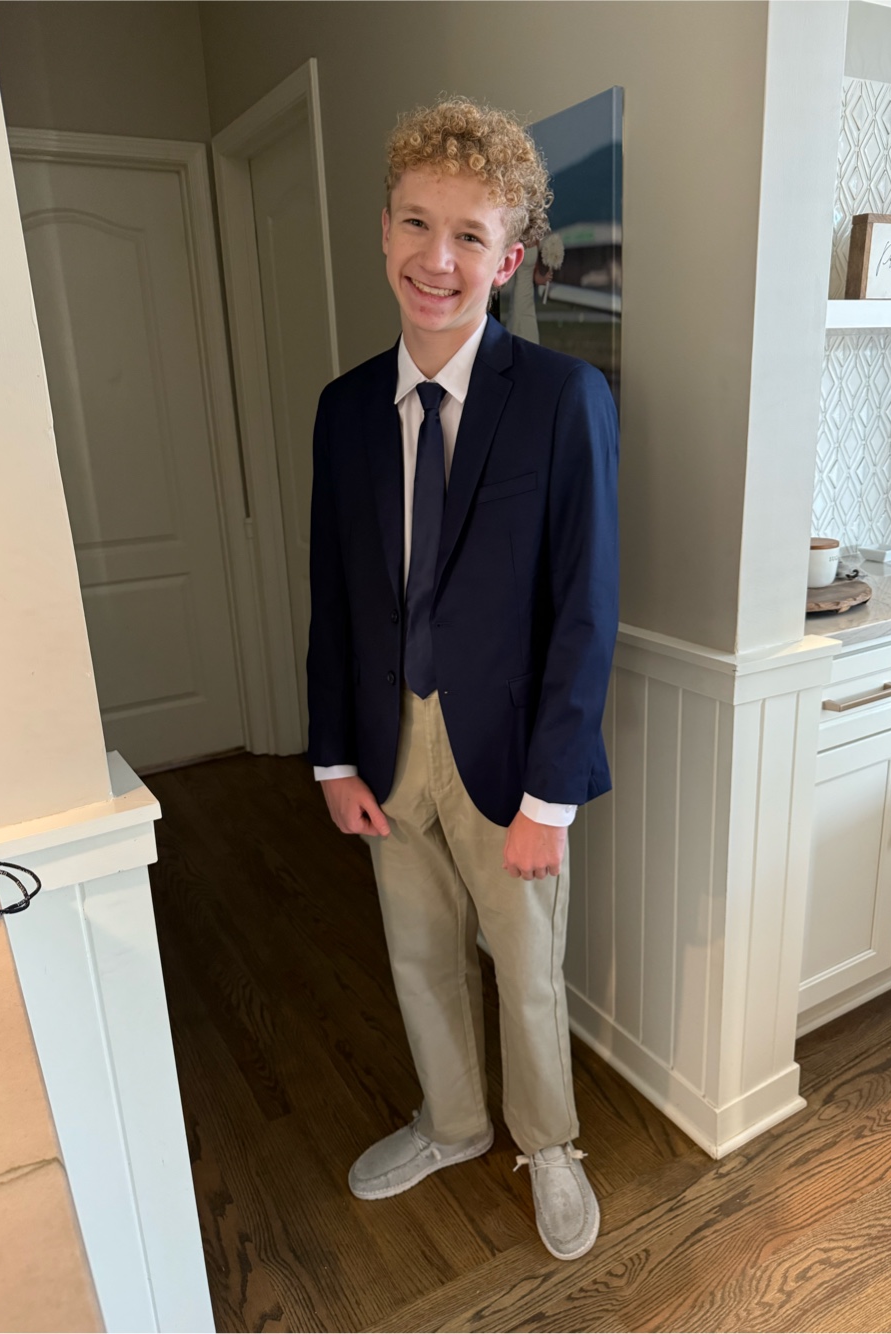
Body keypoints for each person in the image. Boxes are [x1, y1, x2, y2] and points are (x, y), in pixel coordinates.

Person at [307, 96, 619, 1262]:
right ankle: (451, 1120)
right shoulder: (344, 410)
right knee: (417, 949)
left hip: (510, 751)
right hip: (388, 737)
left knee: (526, 964)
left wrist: (552, 796)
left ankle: (549, 1141)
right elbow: (333, 594)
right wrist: (333, 756)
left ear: (509, 258)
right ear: (384, 229)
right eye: (415, 223)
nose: (436, 259)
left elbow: (586, 607)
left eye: (469, 236)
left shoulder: (562, 399)